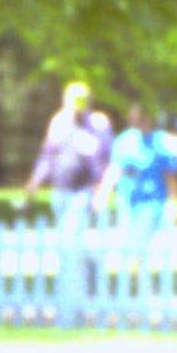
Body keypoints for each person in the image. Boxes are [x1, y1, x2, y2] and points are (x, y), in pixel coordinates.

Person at [23, 78, 113, 323]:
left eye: (81, 103)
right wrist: (35, 181)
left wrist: (102, 190)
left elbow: (103, 162)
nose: (77, 108)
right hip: (60, 191)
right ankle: (67, 297)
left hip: (82, 192)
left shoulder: (97, 126)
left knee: (73, 244)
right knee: (65, 247)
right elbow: (47, 156)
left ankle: (75, 305)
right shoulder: (58, 124)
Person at [102, 102, 177, 247]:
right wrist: (104, 192)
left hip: (152, 201)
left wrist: (174, 202)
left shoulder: (160, 142)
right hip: (127, 200)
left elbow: (171, 175)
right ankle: (134, 267)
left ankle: (136, 267)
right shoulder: (123, 141)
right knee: (128, 241)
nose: (139, 123)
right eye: (135, 120)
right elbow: (114, 169)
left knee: (141, 241)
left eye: (142, 119)